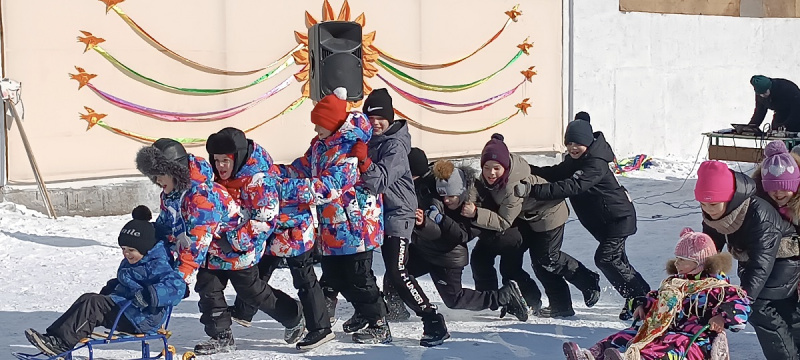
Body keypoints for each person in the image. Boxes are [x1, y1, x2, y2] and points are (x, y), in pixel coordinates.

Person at [135, 138, 303, 355]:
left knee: (252, 292)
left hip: (235, 248)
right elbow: (168, 225)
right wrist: (147, 239)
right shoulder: (171, 194)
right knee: (208, 289)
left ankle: (294, 315)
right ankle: (221, 336)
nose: (156, 181)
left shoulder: (201, 196)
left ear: (175, 170)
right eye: (153, 176)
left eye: (159, 174)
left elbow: (194, 244)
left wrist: (179, 278)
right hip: (210, 251)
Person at [279, 88, 389, 344]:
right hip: (331, 226)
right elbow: (302, 168)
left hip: (355, 226)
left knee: (359, 278)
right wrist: (276, 173)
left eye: (319, 125)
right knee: (337, 277)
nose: (316, 130)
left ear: (332, 124)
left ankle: (379, 324)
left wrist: (286, 190)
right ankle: (364, 313)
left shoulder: (350, 149)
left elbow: (328, 187)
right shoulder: (320, 145)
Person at [206, 128, 332, 350]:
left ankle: (320, 328)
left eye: (226, 160)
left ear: (238, 157)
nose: (221, 166)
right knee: (258, 276)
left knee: (304, 278)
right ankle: (245, 311)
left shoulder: (258, 179)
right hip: (270, 234)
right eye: (217, 160)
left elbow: (264, 218)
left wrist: (236, 241)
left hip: (293, 229)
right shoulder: (232, 174)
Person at [516, 115, 650, 320]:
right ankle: (640, 298)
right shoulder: (575, 160)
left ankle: (641, 299)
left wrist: (533, 190)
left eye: (577, 143)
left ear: (587, 142)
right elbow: (556, 173)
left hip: (618, 219)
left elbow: (572, 186)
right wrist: (528, 170)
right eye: (568, 143)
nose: (572, 147)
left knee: (606, 258)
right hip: (604, 222)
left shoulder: (595, 164)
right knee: (618, 261)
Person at [344, 88, 449, 347]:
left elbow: (379, 181)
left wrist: (364, 161)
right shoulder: (371, 140)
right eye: (371, 117)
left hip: (398, 214)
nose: (376, 123)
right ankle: (369, 313)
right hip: (374, 214)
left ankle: (433, 320)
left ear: (390, 118)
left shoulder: (396, 147)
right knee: (354, 266)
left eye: (381, 118)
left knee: (397, 271)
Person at [463, 133, 601, 318]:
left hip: (549, 216)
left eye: (496, 168)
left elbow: (504, 221)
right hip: (529, 219)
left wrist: (476, 213)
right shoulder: (493, 178)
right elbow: (478, 188)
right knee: (540, 263)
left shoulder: (513, 187)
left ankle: (587, 280)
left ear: (505, 166)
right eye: (486, 167)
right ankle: (560, 306)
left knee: (547, 259)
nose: (491, 173)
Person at [563, 228, 750, 360]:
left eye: (682, 260)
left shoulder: (717, 288)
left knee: (666, 348)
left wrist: (722, 317)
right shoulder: (674, 283)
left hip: (695, 338)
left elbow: (741, 304)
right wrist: (643, 305)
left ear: (700, 262)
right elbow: (655, 297)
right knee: (629, 335)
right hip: (662, 329)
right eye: (676, 258)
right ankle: (593, 354)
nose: (676, 263)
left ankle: (632, 358)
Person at [24, 207, 186, 356]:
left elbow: (179, 287)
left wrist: (148, 295)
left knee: (95, 304)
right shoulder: (135, 262)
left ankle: (63, 343)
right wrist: (114, 287)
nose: (126, 254)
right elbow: (129, 280)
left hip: (142, 318)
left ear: (145, 249)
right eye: (123, 249)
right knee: (88, 298)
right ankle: (54, 338)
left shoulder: (157, 264)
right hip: (127, 310)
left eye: (131, 250)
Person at [696, 160, 800, 360]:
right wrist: (698, 269)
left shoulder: (759, 213)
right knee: (786, 311)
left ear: (729, 197)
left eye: (713, 204)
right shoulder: (716, 209)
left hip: (786, 258)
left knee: (759, 306)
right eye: (703, 204)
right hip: (758, 261)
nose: (708, 209)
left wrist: (743, 300)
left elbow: (761, 262)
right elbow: (711, 244)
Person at [409, 159, 529, 319]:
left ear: (461, 192)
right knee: (397, 273)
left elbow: (461, 235)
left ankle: (503, 296)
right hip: (423, 249)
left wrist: (440, 219)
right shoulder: (435, 191)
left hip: (448, 257)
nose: (447, 200)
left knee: (454, 299)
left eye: (452, 196)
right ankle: (394, 311)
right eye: (443, 195)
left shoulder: (473, 207)